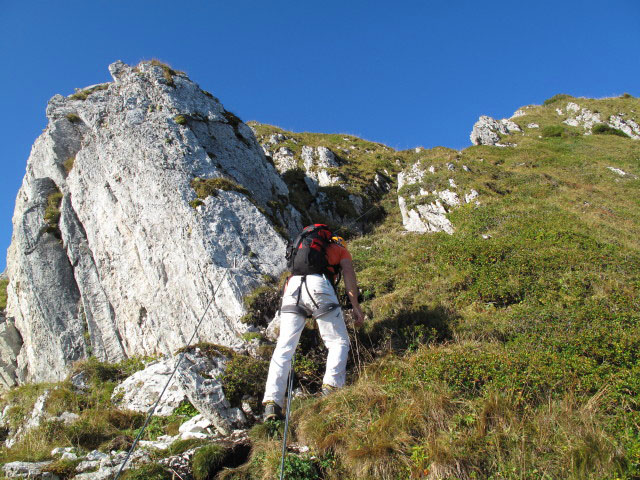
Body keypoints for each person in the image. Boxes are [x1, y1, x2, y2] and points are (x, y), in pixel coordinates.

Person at [262, 224, 365, 420]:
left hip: (293, 287)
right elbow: (349, 275)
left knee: (284, 346)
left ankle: (271, 403)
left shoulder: (303, 254)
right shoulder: (339, 249)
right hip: (319, 285)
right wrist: (355, 306)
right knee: (338, 342)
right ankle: (331, 388)